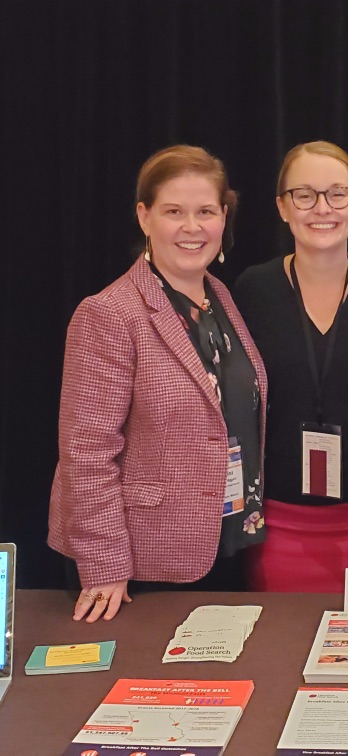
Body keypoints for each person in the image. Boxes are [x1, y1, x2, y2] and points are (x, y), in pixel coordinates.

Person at [48, 145, 267, 622]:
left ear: (223, 217)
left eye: (205, 211)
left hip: (221, 540)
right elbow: (86, 452)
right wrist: (105, 563)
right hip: (137, 564)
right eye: (174, 212)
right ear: (144, 217)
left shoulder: (220, 296)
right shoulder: (109, 314)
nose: (192, 227)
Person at [234, 141, 348, 592]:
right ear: (283, 207)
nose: (321, 208)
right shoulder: (252, 290)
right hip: (277, 525)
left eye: (337, 194)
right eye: (304, 195)